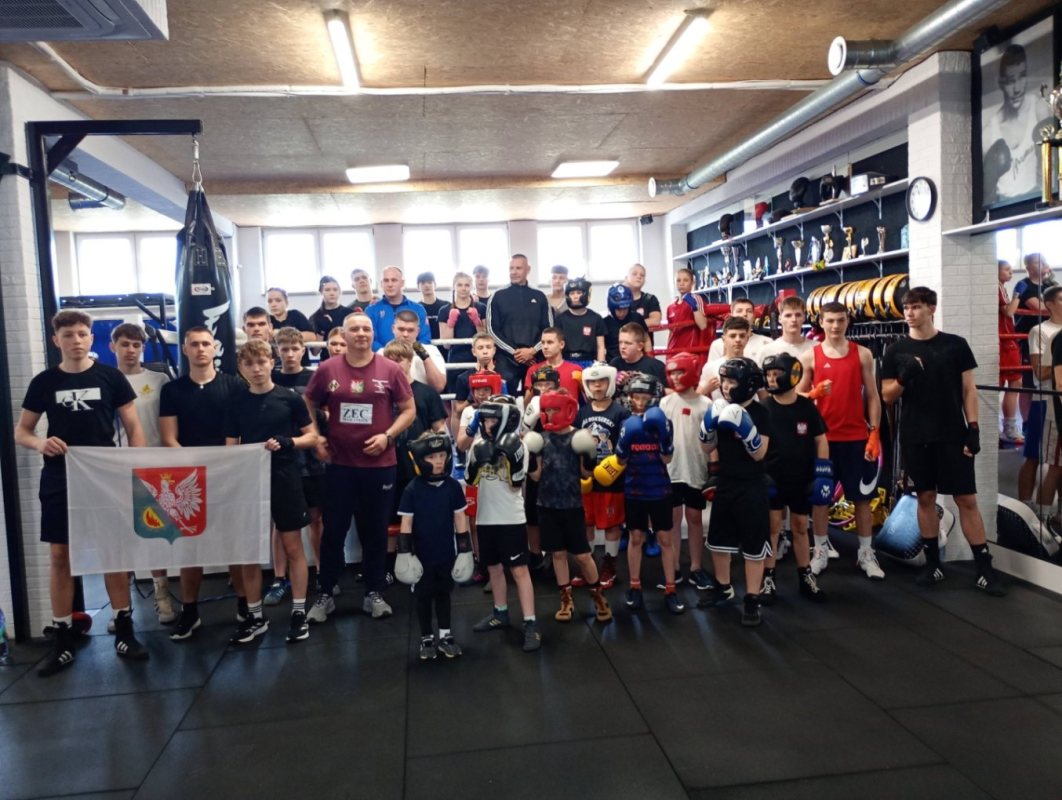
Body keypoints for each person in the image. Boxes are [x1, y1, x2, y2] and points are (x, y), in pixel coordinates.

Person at [16, 310, 149, 676]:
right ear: (56, 340)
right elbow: (22, 431)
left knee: (112, 553)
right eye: (68, 335)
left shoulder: (110, 377)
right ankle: (62, 639)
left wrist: (135, 468)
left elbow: (134, 426)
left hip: (105, 475)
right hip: (60, 475)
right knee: (60, 555)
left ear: (91, 338)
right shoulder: (45, 382)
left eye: (81, 334)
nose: (75, 340)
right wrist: (40, 443)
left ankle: (125, 630)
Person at [880, 287, 1005, 596]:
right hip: (916, 434)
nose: (910, 313)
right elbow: (887, 396)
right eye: (906, 308)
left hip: (952, 433)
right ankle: (933, 564)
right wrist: (904, 377)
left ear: (932, 309)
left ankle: (983, 567)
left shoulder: (955, 345)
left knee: (967, 499)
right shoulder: (896, 351)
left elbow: (968, 390)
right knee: (925, 497)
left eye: (916, 307)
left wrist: (973, 427)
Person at [304, 312, 416, 623]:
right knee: (333, 531)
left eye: (366, 328)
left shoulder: (390, 369)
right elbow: (308, 402)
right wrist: (316, 437)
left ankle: (373, 592)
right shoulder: (327, 369)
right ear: (344, 335)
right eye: (355, 329)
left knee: (375, 532)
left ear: (373, 334)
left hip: (380, 466)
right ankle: (326, 593)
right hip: (339, 465)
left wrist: (388, 436)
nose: (362, 333)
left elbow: (409, 410)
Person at [159, 327, 249, 641]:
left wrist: (223, 466)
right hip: (188, 479)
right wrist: (193, 469)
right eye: (194, 344)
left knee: (235, 543)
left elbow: (241, 431)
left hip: (228, 475)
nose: (200, 349)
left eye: (206, 344)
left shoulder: (235, 385)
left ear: (215, 348)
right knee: (190, 547)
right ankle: (190, 611)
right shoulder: (172, 390)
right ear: (185, 349)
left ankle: (245, 605)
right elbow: (168, 437)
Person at [225, 339, 318, 644]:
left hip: (285, 478)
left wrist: (289, 442)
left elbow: (312, 437)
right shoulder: (236, 402)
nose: (256, 368)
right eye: (249, 364)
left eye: (261, 362)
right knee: (250, 551)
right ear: (241, 368)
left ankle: (299, 612)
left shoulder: (289, 398)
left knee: (293, 547)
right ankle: (255, 616)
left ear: (271, 362)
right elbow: (231, 446)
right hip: (251, 481)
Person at [797, 301, 884, 581]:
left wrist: (874, 432)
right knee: (821, 498)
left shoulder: (863, 354)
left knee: (862, 498)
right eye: (830, 320)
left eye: (840, 320)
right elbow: (795, 398)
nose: (835, 325)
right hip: (823, 440)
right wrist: (814, 394)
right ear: (821, 322)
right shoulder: (810, 356)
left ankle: (866, 553)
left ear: (847, 321)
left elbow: (873, 395)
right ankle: (821, 550)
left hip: (856, 437)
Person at [109, 323, 177, 626]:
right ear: (113, 346)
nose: (131, 350)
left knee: (155, 533)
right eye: (125, 344)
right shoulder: (106, 380)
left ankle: (162, 597)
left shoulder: (159, 380)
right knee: (121, 538)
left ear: (143, 348)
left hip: (155, 467)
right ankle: (122, 608)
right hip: (118, 467)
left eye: (136, 345)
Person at [698, 357, 772, 626]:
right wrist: (707, 427)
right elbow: (707, 448)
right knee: (719, 542)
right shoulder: (720, 409)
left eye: (732, 381)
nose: (727, 386)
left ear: (748, 384)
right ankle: (723, 587)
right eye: (725, 381)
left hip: (752, 484)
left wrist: (746, 430)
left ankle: (752, 599)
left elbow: (760, 454)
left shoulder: (761, 412)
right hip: (726, 482)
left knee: (753, 546)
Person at [528, 390, 612, 623]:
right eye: (547, 410)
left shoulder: (578, 437)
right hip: (546, 505)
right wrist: (530, 457)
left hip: (572, 505)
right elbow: (536, 476)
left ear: (566, 410)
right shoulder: (541, 439)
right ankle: (566, 600)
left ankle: (598, 597)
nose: (550, 414)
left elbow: (586, 473)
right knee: (557, 554)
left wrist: (590, 455)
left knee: (583, 556)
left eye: (554, 410)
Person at [465, 396, 541, 652]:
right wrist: (479, 460)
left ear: (506, 421)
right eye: (485, 419)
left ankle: (530, 622)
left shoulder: (520, 447)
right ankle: (500, 612)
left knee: (519, 571)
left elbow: (516, 484)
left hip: (511, 518)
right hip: (485, 517)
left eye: (492, 420)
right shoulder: (478, 446)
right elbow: (470, 481)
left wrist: (508, 457)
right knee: (494, 568)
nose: (488, 424)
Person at [605, 373, 682, 613]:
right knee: (636, 538)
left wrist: (664, 439)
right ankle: (635, 587)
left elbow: (667, 459)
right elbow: (621, 460)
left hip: (660, 489)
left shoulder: (663, 422)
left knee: (665, 539)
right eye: (635, 397)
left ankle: (671, 589)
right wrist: (624, 443)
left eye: (644, 398)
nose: (639, 402)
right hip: (634, 489)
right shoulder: (627, 424)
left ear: (653, 398)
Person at [395, 432, 472, 661]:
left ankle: (446, 635)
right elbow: (406, 523)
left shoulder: (453, 487)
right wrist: (404, 553)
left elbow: (460, 519)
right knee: (423, 596)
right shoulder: (412, 490)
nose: (438, 461)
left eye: (441, 455)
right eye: (431, 457)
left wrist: (465, 551)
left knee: (444, 594)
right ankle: (426, 637)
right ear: (420, 459)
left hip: (446, 552)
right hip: (421, 555)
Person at [265, 328, 326, 604]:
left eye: (294, 348)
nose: (289, 354)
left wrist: (323, 438)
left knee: (316, 518)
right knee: (281, 522)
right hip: (280, 458)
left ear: (303, 349)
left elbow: (327, 414)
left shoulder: (314, 378)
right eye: (284, 349)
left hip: (310, 458)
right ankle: (280, 578)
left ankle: (322, 572)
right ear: (277, 351)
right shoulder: (271, 378)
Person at [760, 353, 828, 603]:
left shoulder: (806, 407)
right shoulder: (764, 408)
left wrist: (823, 473)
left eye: (776, 374)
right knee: (772, 528)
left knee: (800, 527)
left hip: (801, 477)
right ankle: (768, 578)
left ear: (792, 375)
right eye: (768, 375)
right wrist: (760, 475)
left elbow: (821, 440)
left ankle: (805, 576)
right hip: (773, 477)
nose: (771, 379)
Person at [383, 338, 448, 582]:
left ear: (410, 361)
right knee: (388, 518)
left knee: (423, 517)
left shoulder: (427, 392)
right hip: (388, 464)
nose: (395, 364)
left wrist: (437, 464)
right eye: (390, 360)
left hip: (419, 467)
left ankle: (426, 563)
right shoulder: (381, 395)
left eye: (399, 359)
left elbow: (439, 431)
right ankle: (387, 568)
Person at [576, 362, 630, 589]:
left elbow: (626, 446)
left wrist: (615, 467)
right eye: (592, 382)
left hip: (612, 478)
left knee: (611, 524)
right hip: (587, 477)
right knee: (586, 522)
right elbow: (576, 444)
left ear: (610, 383)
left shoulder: (621, 412)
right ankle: (588, 568)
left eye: (601, 381)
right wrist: (581, 470)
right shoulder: (582, 412)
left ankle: (610, 566)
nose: (597, 386)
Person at [662, 352, 712, 591]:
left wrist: (713, 468)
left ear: (692, 372)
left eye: (680, 371)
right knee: (673, 519)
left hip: (696, 468)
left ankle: (696, 567)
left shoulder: (706, 405)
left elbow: (712, 440)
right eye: (672, 372)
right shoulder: (665, 403)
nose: (675, 377)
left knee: (694, 518)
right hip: (671, 470)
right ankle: (672, 567)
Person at [982, 44, 1045, 205]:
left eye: (1021, 77)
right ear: (1001, 84)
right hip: (1004, 207)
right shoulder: (989, 133)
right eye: (1010, 81)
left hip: (1036, 200)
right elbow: (984, 194)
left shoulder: (1039, 109)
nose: (1017, 89)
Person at [485, 253, 553, 392]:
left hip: (535, 358)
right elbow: (492, 330)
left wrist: (533, 350)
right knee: (505, 400)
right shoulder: (497, 295)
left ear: (528, 269)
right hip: (506, 360)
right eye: (511, 268)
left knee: (537, 400)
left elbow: (548, 329)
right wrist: (515, 352)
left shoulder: (540, 296)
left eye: (518, 268)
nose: (514, 272)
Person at [1023, 284, 1062, 508]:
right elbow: (1039, 371)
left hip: (1057, 400)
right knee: (1034, 456)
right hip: (1045, 401)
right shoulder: (1040, 331)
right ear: (1050, 304)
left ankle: (1054, 511)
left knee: (1058, 462)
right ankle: (1026, 507)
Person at [439, 271, 487, 394]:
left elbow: (485, 339)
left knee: (479, 396)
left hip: (477, 359)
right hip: (455, 359)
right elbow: (446, 345)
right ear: (454, 287)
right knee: (456, 399)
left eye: (467, 285)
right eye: (459, 285)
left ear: (472, 287)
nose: (463, 288)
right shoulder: (445, 310)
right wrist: (451, 323)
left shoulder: (481, 308)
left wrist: (477, 321)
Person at [366, 266, 431, 350]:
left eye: (394, 280)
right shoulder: (371, 310)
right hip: (382, 356)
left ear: (402, 283)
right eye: (386, 280)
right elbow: (370, 339)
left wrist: (410, 354)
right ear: (381, 284)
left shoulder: (418, 309)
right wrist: (387, 354)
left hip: (412, 356)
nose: (390, 284)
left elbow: (425, 339)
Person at [666, 267, 712, 373]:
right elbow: (671, 332)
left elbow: (703, 325)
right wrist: (668, 351)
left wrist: (694, 307)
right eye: (678, 280)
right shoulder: (670, 307)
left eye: (685, 280)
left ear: (692, 283)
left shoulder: (696, 299)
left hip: (690, 351)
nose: (681, 283)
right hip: (673, 351)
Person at [389, 309, 446, 392]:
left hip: (423, 397)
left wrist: (425, 357)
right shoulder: (382, 353)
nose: (405, 334)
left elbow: (439, 386)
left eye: (410, 330)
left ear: (417, 331)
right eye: (401, 329)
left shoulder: (431, 351)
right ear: (393, 329)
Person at [998, 261, 1024, 444]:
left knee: (1015, 382)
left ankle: (1008, 426)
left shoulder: (1001, 287)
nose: (1011, 273)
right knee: (1011, 382)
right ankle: (1008, 427)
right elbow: (1009, 312)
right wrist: (1017, 295)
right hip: (1003, 341)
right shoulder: (995, 287)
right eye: (1007, 269)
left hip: (1007, 339)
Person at [522, 328, 583, 403]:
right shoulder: (534, 370)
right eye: (543, 343)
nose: (545, 347)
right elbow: (526, 405)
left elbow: (588, 399)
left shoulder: (575, 370)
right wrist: (535, 384)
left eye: (550, 342)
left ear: (561, 344)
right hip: (542, 410)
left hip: (569, 410)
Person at [554, 277, 606, 364]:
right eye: (572, 293)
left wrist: (601, 366)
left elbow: (600, 347)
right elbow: (556, 345)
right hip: (566, 361)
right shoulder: (560, 319)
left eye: (579, 293)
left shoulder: (596, 318)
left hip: (589, 362)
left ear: (586, 294)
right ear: (567, 295)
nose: (575, 296)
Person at [698, 316, 750, 400]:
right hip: (720, 408)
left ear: (747, 339)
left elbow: (763, 397)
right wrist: (705, 390)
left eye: (742, 336)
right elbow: (695, 399)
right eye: (733, 336)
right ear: (723, 339)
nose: (738, 340)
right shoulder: (711, 367)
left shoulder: (752, 366)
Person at [707, 298, 772, 364]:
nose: (744, 314)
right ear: (731, 315)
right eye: (739, 311)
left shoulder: (767, 342)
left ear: (754, 316)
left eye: (749, 311)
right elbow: (711, 369)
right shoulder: (718, 344)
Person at [758, 296, 815, 361]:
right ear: (780, 319)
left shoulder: (816, 348)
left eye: (798, 315)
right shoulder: (768, 351)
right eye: (788, 316)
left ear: (804, 318)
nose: (794, 319)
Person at [604, 283, 648, 362]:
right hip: (613, 363)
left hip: (637, 362)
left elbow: (646, 339)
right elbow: (600, 347)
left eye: (625, 309)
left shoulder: (637, 318)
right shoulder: (605, 322)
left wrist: (650, 358)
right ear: (612, 308)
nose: (622, 312)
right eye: (619, 309)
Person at [308, 275, 353, 342]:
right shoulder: (315, 317)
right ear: (321, 292)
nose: (332, 293)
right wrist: (321, 332)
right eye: (327, 290)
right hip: (325, 349)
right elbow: (314, 348)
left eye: (335, 289)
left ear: (339, 291)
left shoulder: (350, 314)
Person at [625, 263, 662, 327]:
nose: (639, 277)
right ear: (626, 278)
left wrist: (630, 326)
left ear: (644, 280)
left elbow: (656, 320)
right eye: (634, 274)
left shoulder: (651, 299)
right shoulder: (619, 299)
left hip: (644, 334)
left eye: (642, 275)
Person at [417, 271, 446, 344]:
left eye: (429, 282)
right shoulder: (416, 308)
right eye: (423, 283)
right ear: (418, 287)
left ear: (435, 285)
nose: (427, 285)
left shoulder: (446, 306)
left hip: (444, 347)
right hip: (424, 346)